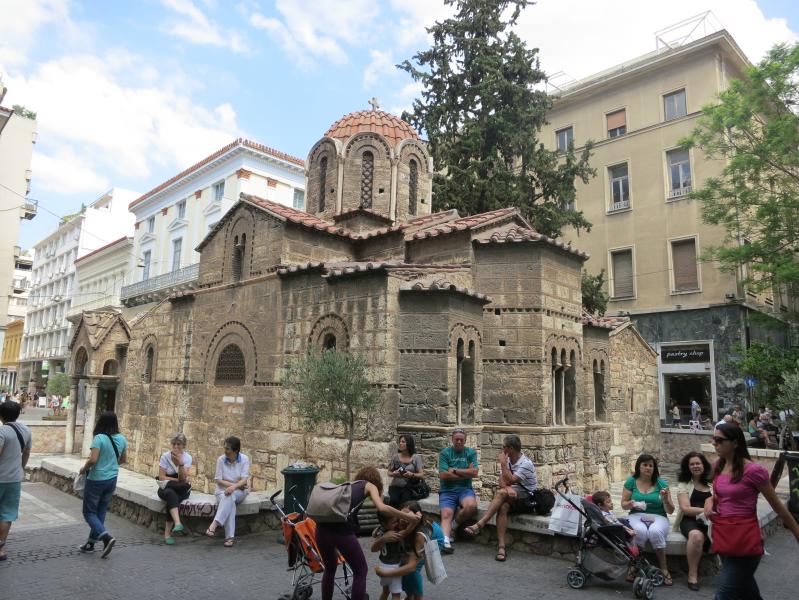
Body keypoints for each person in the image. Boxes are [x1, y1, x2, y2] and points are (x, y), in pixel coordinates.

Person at [706, 423, 799, 599]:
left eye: (719, 440)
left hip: (745, 542)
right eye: (713, 439)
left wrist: (797, 533)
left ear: (735, 443)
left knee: (724, 594)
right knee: (748, 593)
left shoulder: (753, 471)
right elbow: (719, 495)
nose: (714, 443)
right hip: (724, 538)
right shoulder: (718, 465)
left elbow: (778, 507)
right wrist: (709, 501)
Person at [316, 466, 419, 600]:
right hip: (341, 531)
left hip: (320, 530)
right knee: (361, 570)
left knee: (330, 569)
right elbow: (382, 508)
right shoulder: (370, 485)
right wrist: (408, 517)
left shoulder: (349, 486)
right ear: (376, 481)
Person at [462, 434, 537, 561]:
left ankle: (480, 524)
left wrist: (502, 464)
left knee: (501, 493)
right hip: (511, 496)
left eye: (503, 447)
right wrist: (507, 488)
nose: (502, 450)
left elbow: (512, 479)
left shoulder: (526, 464)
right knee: (503, 507)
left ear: (511, 449)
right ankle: (501, 547)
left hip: (526, 499)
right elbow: (502, 482)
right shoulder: (508, 461)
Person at [78, 411, 127, 558]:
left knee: (89, 513)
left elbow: (93, 460)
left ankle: (106, 538)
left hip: (97, 479)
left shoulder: (99, 438)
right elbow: (123, 459)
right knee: (100, 512)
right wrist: (111, 465)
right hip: (112, 479)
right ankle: (91, 544)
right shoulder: (122, 439)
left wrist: (83, 469)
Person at [621, 453, 675, 586]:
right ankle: (635, 565)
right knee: (639, 531)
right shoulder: (631, 481)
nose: (648, 468)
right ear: (639, 466)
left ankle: (663, 567)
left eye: (651, 465)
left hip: (658, 516)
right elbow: (623, 504)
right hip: (636, 515)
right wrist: (631, 503)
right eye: (645, 465)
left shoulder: (661, 484)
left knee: (655, 532)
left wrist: (665, 499)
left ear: (654, 468)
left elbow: (671, 511)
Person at [376, 500, 440, 600]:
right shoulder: (399, 521)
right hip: (414, 529)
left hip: (435, 537)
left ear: (415, 519)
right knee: (402, 565)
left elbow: (412, 567)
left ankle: (418, 596)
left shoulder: (419, 535)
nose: (402, 520)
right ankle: (410, 596)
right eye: (402, 515)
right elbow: (404, 532)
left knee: (413, 569)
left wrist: (385, 574)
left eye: (407, 516)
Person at [674, 451, 713, 591]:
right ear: (687, 467)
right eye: (692, 464)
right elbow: (685, 508)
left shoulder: (713, 483)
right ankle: (692, 574)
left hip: (712, 521)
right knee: (696, 536)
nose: (695, 466)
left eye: (698, 463)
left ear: (703, 465)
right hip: (690, 521)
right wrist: (706, 510)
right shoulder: (684, 484)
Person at [0, 401, 32, 561]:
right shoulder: (26, 430)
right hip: (14, 479)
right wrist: (20, 468)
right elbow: (26, 453)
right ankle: (1, 549)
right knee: (7, 513)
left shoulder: (2, 431)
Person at [438, 427, 478, 554]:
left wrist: (454, 470)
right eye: (456, 440)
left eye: (461, 440)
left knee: (471, 506)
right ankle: (445, 542)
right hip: (447, 490)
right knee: (446, 513)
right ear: (452, 440)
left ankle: (453, 526)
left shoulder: (470, 453)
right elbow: (443, 475)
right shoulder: (445, 453)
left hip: (465, 489)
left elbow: (474, 473)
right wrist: (465, 473)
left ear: (465, 440)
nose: (459, 442)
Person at [205, 436, 249, 547]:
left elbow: (244, 479)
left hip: (240, 492)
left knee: (231, 495)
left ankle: (214, 524)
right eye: (225, 448)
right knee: (229, 499)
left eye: (228, 449)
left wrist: (234, 488)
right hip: (222, 491)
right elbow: (218, 480)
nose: (225, 451)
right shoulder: (221, 460)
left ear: (236, 451)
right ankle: (229, 537)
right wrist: (234, 486)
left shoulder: (244, 459)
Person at [157, 433, 192, 545]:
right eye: (174, 444)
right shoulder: (165, 456)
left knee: (171, 494)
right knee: (170, 493)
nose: (176, 447)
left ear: (183, 445)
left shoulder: (187, 458)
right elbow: (161, 477)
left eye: (179, 444)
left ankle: (168, 534)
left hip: (181, 489)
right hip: (167, 485)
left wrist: (180, 464)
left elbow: (183, 478)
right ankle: (177, 523)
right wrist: (175, 481)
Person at [371, 513, 408, 600]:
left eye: (397, 521)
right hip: (394, 567)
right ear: (384, 524)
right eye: (394, 522)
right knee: (396, 595)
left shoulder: (381, 530)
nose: (397, 523)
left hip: (383, 566)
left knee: (385, 591)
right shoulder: (394, 533)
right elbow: (406, 533)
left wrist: (382, 538)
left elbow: (374, 544)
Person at [387, 434, 425, 508]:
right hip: (395, 486)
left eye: (403, 442)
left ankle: (403, 518)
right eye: (400, 442)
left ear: (409, 443)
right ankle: (394, 519)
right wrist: (394, 473)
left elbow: (422, 474)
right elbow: (389, 472)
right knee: (393, 501)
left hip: (409, 487)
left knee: (406, 502)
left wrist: (412, 475)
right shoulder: (395, 457)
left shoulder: (416, 457)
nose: (400, 443)